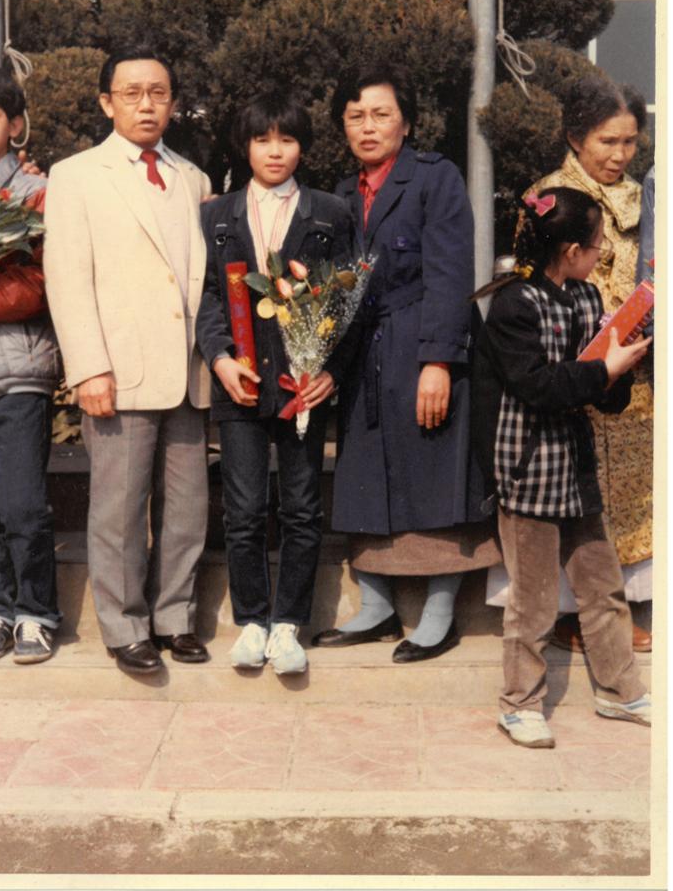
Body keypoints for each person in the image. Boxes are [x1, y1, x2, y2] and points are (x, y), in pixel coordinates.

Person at [313, 63, 499, 663]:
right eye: (355, 117)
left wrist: (439, 361)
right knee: (366, 473)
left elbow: (451, 274)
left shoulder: (434, 178)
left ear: (407, 122)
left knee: (435, 468)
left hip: (423, 340)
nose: (368, 127)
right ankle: (376, 604)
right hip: (364, 354)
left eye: (381, 114)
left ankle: (439, 612)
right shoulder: (340, 195)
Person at [44, 46, 213, 675]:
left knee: (188, 505)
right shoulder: (77, 175)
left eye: (159, 92)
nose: (147, 104)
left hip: (189, 372)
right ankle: (123, 627)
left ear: (172, 101)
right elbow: (67, 278)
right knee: (117, 507)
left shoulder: (193, 178)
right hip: (118, 370)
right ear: (106, 102)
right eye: (133, 93)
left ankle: (175, 618)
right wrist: (88, 367)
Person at [472, 186, 651, 748]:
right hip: (528, 472)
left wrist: (621, 364)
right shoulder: (513, 304)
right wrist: (603, 373)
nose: (601, 253)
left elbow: (599, 392)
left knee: (604, 587)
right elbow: (537, 387)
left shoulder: (584, 298)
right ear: (571, 248)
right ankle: (519, 703)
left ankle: (619, 691)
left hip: (575, 469)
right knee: (533, 600)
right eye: (596, 244)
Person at [196, 91, 354, 675]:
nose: (275, 151)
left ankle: (289, 624)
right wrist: (218, 358)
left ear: (303, 148)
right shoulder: (217, 216)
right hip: (239, 384)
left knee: (302, 507)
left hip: (300, 386)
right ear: (246, 145)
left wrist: (329, 372)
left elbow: (349, 303)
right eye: (263, 139)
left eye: (287, 139)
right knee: (242, 507)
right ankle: (251, 621)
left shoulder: (330, 213)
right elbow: (207, 297)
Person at [519, 76, 652, 654]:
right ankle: (573, 614)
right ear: (575, 138)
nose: (619, 155)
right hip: (573, 367)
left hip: (637, 373)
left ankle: (625, 605)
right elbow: (533, 283)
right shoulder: (546, 196)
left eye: (629, 142)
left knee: (634, 494)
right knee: (575, 495)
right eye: (606, 141)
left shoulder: (646, 196)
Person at [0, 64, 62, 663]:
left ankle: (36, 611)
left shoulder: (34, 194)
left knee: (24, 504)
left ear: (15, 125)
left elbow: (41, 286)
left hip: (18, 373)